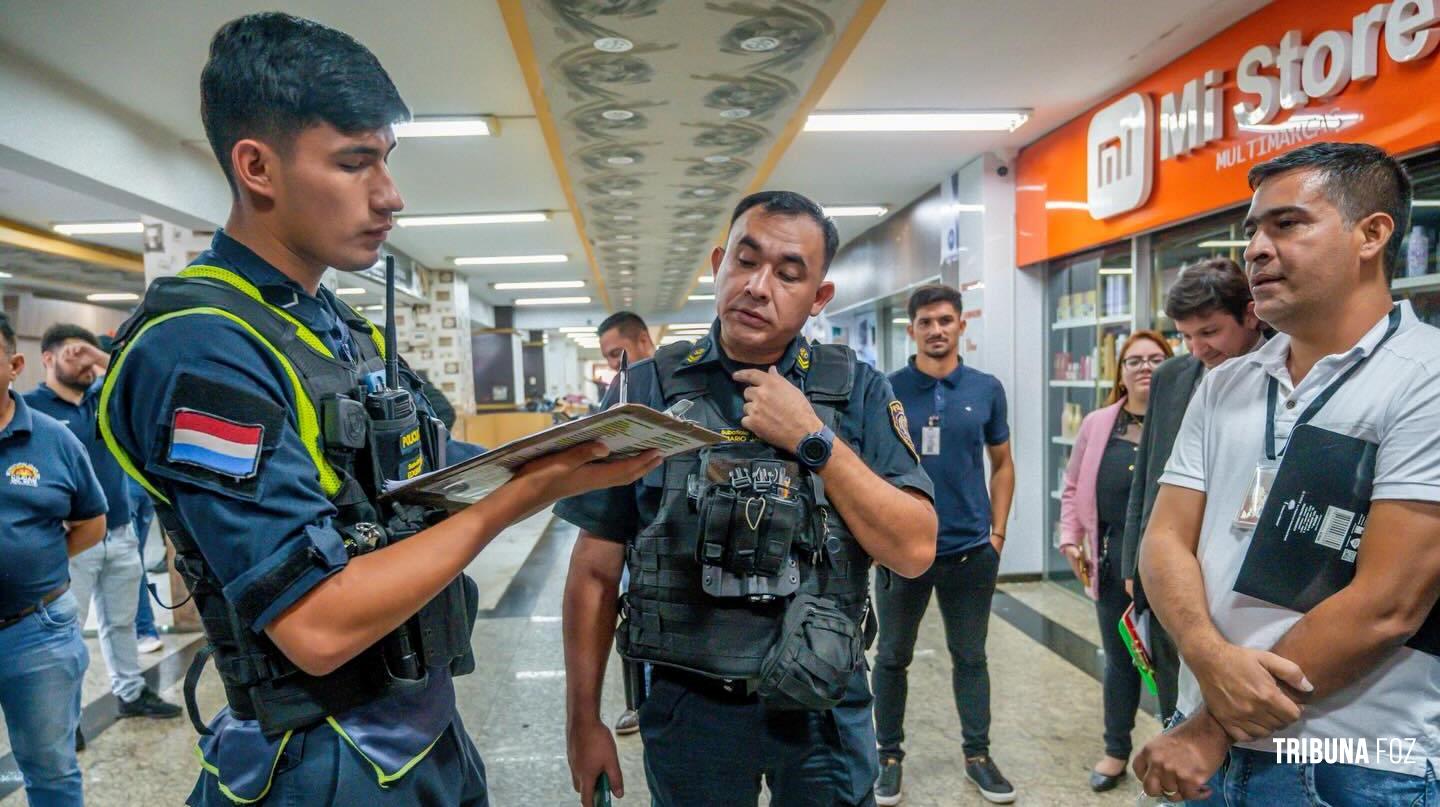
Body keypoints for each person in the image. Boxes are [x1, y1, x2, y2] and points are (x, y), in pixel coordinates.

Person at [100, 13, 658, 805]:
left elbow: (416, 472)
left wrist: (558, 453)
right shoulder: (198, 348)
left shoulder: (333, 325)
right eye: (355, 163)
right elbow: (316, 624)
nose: (390, 195)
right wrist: (518, 498)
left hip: (420, 730)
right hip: (320, 758)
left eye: (386, 161)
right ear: (256, 166)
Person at [558, 190, 937, 807]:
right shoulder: (646, 388)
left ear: (819, 299)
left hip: (822, 706)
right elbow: (595, 570)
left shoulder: (857, 390)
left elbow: (915, 549)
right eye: (745, 260)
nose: (759, 286)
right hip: (690, 707)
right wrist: (582, 720)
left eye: (789, 274)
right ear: (718, 264)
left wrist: (813, 439)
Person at [1135, 142, 1440, 804]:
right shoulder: (1226, 384)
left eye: (1288, 223)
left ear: (1372, 233)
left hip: (1354, 762)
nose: (1257, 248)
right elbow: (1164, 541)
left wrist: (1214, 724)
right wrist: (1208, 660)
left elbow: (1388, 604)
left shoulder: (1426, 377)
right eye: (1252, 230)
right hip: (1204, 752)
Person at [871, 284, 1017, 805]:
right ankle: (887, 756)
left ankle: (978, 756)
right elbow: (868, 471)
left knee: (971, 657)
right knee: (891, 657)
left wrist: (997, 533)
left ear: (961, 326)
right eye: (927, 321)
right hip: (902, 553)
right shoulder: (886, 389)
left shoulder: (985, 388)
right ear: (911, 329)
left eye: (946, 320)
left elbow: (1002, 463)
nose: (937, 330)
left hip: (970, 550)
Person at [1118, 258, 1265, 723]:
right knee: (1172, 695)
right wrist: (1133, 562)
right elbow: (1148, 472)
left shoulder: (1287, 371)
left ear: (1250, 314)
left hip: (1241, 571)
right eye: (1186, 335)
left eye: (1210, 332)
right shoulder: (1171, 378)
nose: (1197, 347)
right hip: (1170, 562)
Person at [25, 324, 180, 719]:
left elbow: (131, 378)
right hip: (71, 538)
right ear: (47, 359)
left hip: (120, 530)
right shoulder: (31, 409)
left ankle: (130, 693)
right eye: (71, 355)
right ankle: (65, 716)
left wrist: (95, 355)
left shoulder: (101, 400)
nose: (83, 365)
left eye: (88, 357)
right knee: (66, 630)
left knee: (123, 622)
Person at [0, 312, 108, 807]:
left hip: (34, 631)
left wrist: (37, 565)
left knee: (50, 767)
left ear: (14, 364)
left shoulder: (52, 438)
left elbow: (92, 520)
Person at [1058, 330, 1172, 792]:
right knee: (1121, 661)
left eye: (1156, 359)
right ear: (1120, 372)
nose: (1145, 367)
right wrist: (1070, 539)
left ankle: (1176, 749)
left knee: (1170, 663)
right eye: (1134, 361)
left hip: (1169, 565)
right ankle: (1115, 750)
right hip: (1110, 565)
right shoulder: (1099, 423)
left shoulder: (1182, 420)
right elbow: (1072, 488)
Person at [595, 311, 657, 738]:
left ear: (643, 340)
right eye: (609, 358)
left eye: (619, 353)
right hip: (634, 532)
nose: (617, 365)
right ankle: (639, 704)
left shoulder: (678, 380)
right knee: (634, 618)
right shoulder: (621, 391)